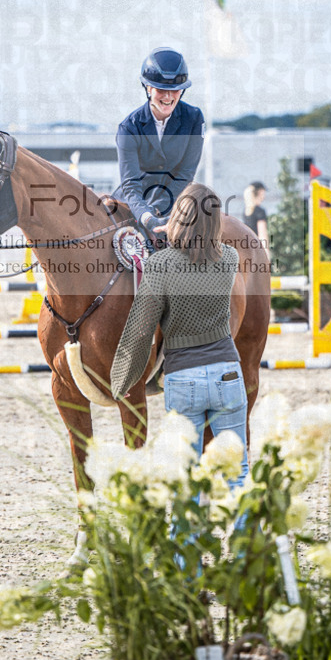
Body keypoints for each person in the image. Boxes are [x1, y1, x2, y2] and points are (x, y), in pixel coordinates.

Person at [111, 182, 248, 487]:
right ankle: (247, 533)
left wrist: (119, 382)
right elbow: (203, 254)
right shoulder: (230, 259)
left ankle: (188, 535)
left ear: (176, 218)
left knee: (185, 476)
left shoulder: (159, 265)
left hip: (183, 377)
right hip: (228, 372)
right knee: (239, 471)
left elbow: (140, 330)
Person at [112, 48, 205, 240]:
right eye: (161, 89)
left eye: (174, 90)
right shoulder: (128, 127)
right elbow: (130, 183)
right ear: (147, 88)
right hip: (134, 206)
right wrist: (147, 216)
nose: (168, 97)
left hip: (173, 202)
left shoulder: (194, 118)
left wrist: (161, 208)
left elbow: (186, 172)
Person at [243, 181, 270, 263]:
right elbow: (262, 234)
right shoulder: (260, 211)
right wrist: (266, 254)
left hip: (247, 249)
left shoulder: (246, 211)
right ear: (260, 192)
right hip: (257, 250)